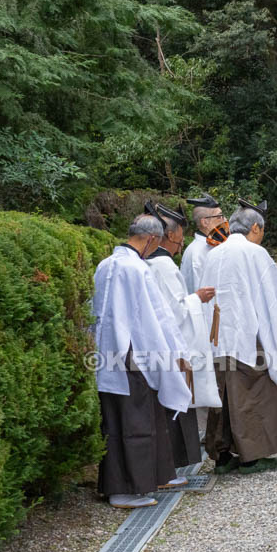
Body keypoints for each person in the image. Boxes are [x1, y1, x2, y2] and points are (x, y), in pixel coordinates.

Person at [92, 214, 193, 508]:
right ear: (151, 239)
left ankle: (143, 478)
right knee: (136, 419)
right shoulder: (137, 268)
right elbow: (156, 316)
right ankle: (124, 489)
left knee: (119, 418)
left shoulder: (105, 265)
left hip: (105, 353)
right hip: (133, 354)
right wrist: (177, 353)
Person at [199, 199, 277, 474]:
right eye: (261, 230)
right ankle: (251, 456)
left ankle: (221, 455)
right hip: (247, 333)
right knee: (254, 392)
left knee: (222, 392)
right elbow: (273, 298)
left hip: (217, 335)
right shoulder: (255, 254)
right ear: (255, 227)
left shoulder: (214, 254)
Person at [143, 202, 221, 473]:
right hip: (170, 345)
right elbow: (174, 311)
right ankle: (171, 466)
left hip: (157, 344)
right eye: (179, 235)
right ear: (171, 235)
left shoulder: (154, 262)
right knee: (175, 403)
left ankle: (171, 465)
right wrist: (197, 298)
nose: (182, 241)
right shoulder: (163, 265)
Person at [180, 193, 226, 293]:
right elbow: (201, 294)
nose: (224, 220)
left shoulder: (210, 246)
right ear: (205, 222)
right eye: (219, 217)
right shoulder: (198, 253)